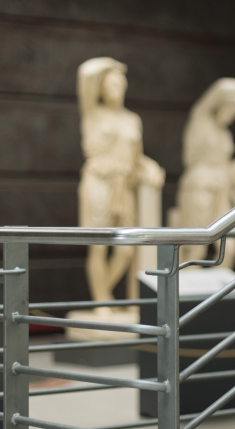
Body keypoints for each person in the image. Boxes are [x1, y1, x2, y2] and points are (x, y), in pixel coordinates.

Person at [76, 57, 164, 307]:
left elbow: (137, 157)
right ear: (101, 89)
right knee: (99, 246)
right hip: (99, 182)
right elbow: (85, 73)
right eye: (108, 86)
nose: (114, 91)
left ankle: (102, 296)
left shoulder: (133, 120)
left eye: (118, 85)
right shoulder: (93, 113)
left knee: (126, 249)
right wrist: (109, 64)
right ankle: (102, 301)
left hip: (124, 186)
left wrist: (151, 166)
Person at [172, 78, 235, 269]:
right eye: (230, 110)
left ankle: (221, 291)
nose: (231, 116)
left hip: (222, 188)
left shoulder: (225, 134)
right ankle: (186, 289)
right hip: (200, 185)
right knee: (196, 246)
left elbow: (226, 166)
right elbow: (221, 86)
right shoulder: (201, 119)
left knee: (229, 247)